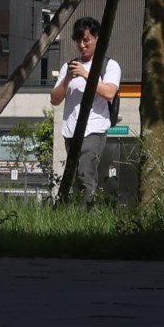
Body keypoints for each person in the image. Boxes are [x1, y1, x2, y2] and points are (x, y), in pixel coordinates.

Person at [51, 17, 122, 203]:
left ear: (97, 38)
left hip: (93, 130)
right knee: (71, 177)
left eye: (86, 40)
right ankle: (71, 214)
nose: (82, 45)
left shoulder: (109, 65)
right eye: (78, 41)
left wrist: (86, 74)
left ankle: (86, 215)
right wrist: (67, 79)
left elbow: (109, 93)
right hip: (70, 131)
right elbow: (55, 99)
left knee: (85, 175)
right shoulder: (69, 66)